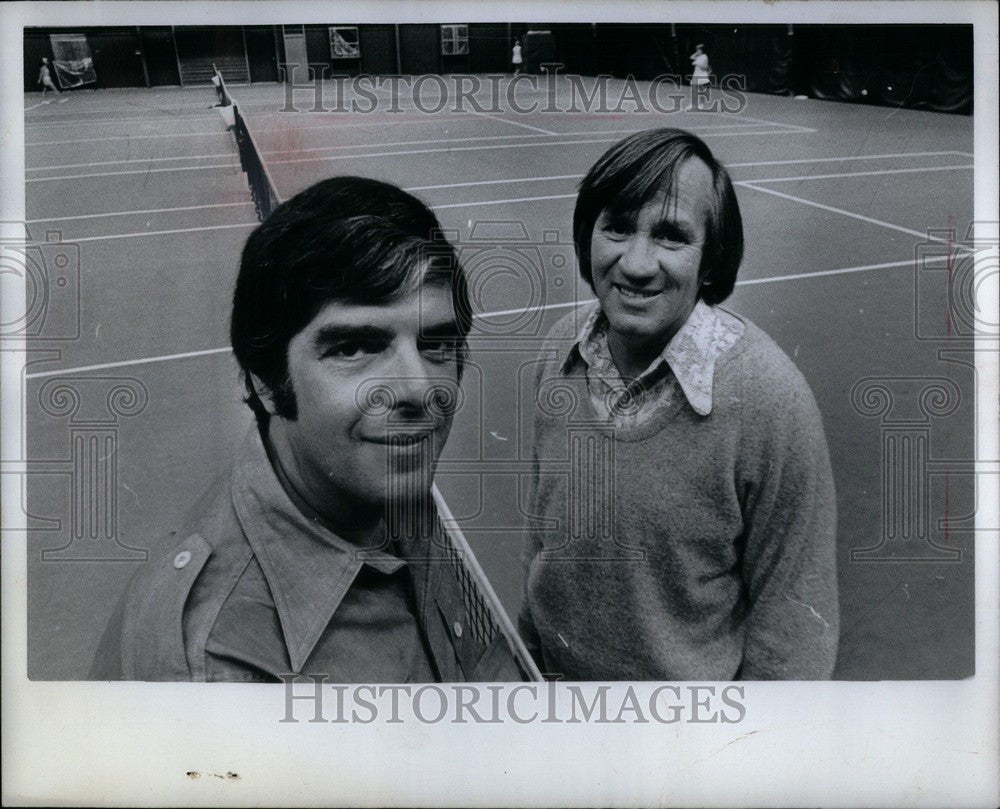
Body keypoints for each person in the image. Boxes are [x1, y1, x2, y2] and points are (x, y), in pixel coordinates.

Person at [90, 177, 526, 683]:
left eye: (437, 345)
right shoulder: (212, 670)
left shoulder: (386, 481)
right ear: (268, 384)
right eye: (353, 349)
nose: (418, 389)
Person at [519, 129, 839, 680]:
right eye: (617, 227)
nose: (637, 264)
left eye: (671, 236)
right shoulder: (560, 350)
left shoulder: (769, 398)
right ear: (586, 236)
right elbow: (545, 538)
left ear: (710, 260)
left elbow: (795, 629)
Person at [687, 44, 710, 110]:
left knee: (701, 90)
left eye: (699, 49)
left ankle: (702, 104)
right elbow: (691, 57)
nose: (698, 51)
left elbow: (704, 67)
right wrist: (696, 53)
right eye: (697, 49)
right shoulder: (698, 56)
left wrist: (696, 63)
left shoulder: (705, 57)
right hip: (696, 74)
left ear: (702, 50)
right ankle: (693, 104)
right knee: (693, 90)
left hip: (702, 75)